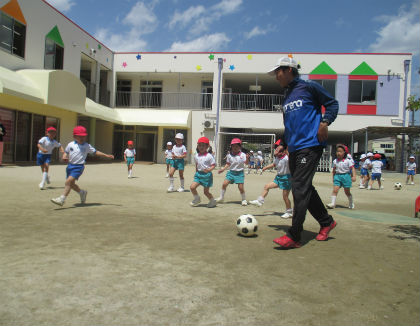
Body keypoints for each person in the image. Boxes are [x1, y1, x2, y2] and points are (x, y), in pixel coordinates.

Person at [268, 56, 339, 248]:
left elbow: (332, 104)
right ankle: (326, 222)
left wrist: (325, 122)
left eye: (278, 72)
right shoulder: (287, 96)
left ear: (289, 70)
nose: (276, 77)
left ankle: (294, 236)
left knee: (299, 187)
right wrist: (283, 142)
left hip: (311, 144)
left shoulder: (309, 87)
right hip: (295, 147)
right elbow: (290, 124)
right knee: (304, 188)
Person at [51, 126, 114, 206]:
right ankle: (82, 192)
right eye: (80, 136)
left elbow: (95, 152)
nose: (82, 138)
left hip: (79, 167)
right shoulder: (70, 144)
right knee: (71, 184)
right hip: (70, 166)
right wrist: (64, 156)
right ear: (74, 136)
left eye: (83, 136)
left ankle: (62, 199)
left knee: (68, 182)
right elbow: (66, 152)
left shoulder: (86, 146)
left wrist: (106, 155)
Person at [250, 139, 293, 218]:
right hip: (279, 178)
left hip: (287, 178)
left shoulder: (287, 157)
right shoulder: (277, 158)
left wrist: (287, 150)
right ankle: (260, 201)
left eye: (277, 148)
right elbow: (273, 165)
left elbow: (290, 157)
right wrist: (265, 167)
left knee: (285, 196)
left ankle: (289, 211)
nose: (275, 150)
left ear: (283, 151)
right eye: (275, 148)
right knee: (267, 186)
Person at [216, 138, 249, 206]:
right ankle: (221, 197)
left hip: (239, 173)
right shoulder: (229, 155)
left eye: (237, 146)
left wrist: (247, 158)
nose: (235, 148)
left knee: (240, 188)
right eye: (233, 146)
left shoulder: (242, 155)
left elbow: (246, 163)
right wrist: (223, 169)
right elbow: (228, 164)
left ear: (240, 147)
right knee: (224, 184)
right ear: (231, 147)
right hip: (231, 173)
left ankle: (244, 199)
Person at [326, 144, 356, 209]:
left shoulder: (348, 161)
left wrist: (354, 176)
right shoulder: (335, 161)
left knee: (347, 192)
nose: (338, 153)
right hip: (337, 176)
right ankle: (332, 203)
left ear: (344, 153)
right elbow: (334, 170)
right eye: (337, 151)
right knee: (335, 190)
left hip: (346, 176)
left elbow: (352, 168)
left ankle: (351, 203)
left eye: (340, 151)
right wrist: (333, 177)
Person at [190, 137, 217, 208]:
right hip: (198, 175)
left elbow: (213, 165)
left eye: (203, 145)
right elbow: (197, 164)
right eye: (199, 145)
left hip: (207, 176)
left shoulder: (209, 156)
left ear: (207, 146)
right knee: (192, 187)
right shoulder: (196, 156)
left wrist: (209, 170)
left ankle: (212, 201)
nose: (201, 147)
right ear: (197, 146)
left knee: (206, 192)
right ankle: (197, 198)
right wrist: (196, 172)